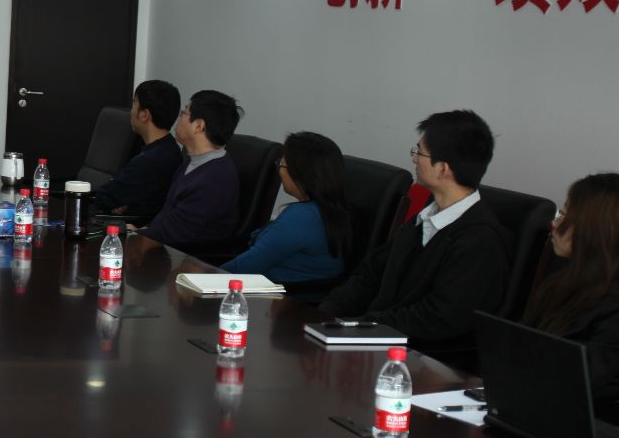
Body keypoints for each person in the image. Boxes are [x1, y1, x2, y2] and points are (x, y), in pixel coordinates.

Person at [319, 109, 510, 355]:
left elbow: (439, 317)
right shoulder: (427, 216)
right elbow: (371, 273)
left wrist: (360, 326)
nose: (414, 159)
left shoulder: (480, 240)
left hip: (419, 359)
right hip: (375, 337)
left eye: (419, 152)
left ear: (442, 169)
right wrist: (326, 313)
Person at [522, 173, 619, 409]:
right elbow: (522, 343)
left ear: (596, 230)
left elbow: (580, 380)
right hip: (532, 396)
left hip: (579, 413)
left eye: (565, 217)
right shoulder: (565, 280)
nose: (554, 224)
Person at [222, 131, 348, 286]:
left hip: (284, 297)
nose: (279, 170)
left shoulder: (302, 217)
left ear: (301, 173)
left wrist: (203, 276)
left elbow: (246, 266)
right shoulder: (328, 210)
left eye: (282, 163)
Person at [132, 89, 242, 249]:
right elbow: (167, 217)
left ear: (198, 126)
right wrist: (140, 230)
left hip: (187, 256)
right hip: (164, 246)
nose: (179, 118)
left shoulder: (214, 179)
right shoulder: (193, 161)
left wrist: (135, 235)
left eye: (184, 113)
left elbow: (175, 234)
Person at [93, 79, 183, 222]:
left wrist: (120, 200)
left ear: (144, 115)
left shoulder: (152, 160)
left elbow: (104, 197)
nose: (131, 111)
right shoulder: (170, 148)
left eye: (134, 104)